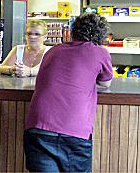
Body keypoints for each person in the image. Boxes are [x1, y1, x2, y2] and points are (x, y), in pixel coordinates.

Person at [24, 13, 113, 172]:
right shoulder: (100, 53)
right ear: (101, 34)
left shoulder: (53, 50)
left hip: (39, 128)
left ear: (73, 31)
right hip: (74, 132)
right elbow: (105, 83)